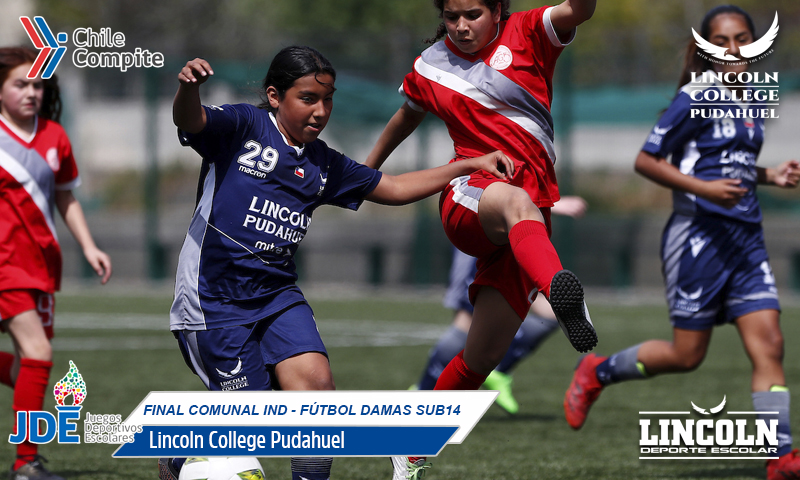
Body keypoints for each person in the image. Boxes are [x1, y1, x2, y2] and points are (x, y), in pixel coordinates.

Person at [158, 46, 515, 480]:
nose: (320, 110)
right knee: (250, 429)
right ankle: (185, 449)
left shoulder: (323, 161)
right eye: (308, 98)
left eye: (327, 100)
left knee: (317, 405)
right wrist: (188, 89)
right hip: (214, 303)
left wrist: (469, 165)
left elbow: (395, 187)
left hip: (277, 297)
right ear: (275, 96)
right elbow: (189, 121)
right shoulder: (242, 126)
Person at [562, 6, 800, 479]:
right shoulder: (694, 97)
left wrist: (768, 175)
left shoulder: (752, 99)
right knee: (687, 356)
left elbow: (724, 165)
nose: (734, 50)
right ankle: (597, 372)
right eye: (723, 40)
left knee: (770, 344)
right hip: (698, 240)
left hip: (746, 240)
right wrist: (705, 190)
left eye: (743, 39)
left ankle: (781, 458)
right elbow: (647, 161)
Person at [363, 0, 598, 477]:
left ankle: (410, 450)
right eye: (452, 17)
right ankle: (560, 293)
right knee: (513, 201)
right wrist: (365, 171)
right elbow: (406, 116)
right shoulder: (430, 64)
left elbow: (581, 8)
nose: (462, 26)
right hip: (470, 197)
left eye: (473, 14)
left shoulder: (531, 31)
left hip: (528, 224)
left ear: (498, 11)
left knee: (480, 359)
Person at [0, 47, 112, 480]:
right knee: (39, 354)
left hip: (41, 265)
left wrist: (88, 246)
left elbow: (65, 195)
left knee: (30, 364)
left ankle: (27, 460)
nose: (31, 92)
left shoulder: (54, 136)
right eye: (19, 84)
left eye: (37, 85)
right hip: (5, 264)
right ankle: (26, 463)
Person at [415, 196, 587, 415]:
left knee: (553, 312)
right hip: (481, 227)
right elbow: (489, 174)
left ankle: (499, 370)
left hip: (520, 230)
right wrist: (548, 204)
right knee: (465, 320)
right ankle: (423, 393)